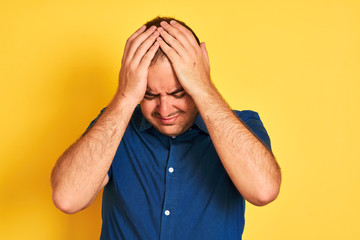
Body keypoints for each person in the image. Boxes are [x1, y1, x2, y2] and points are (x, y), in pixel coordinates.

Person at [51, 16, 281, 239]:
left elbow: (263, 191)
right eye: (149, 95)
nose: (164, 109)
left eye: (178, 93)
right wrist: (125, 96)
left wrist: (204, 88)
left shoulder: (242, 125)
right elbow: (68, 198)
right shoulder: (113, 125)